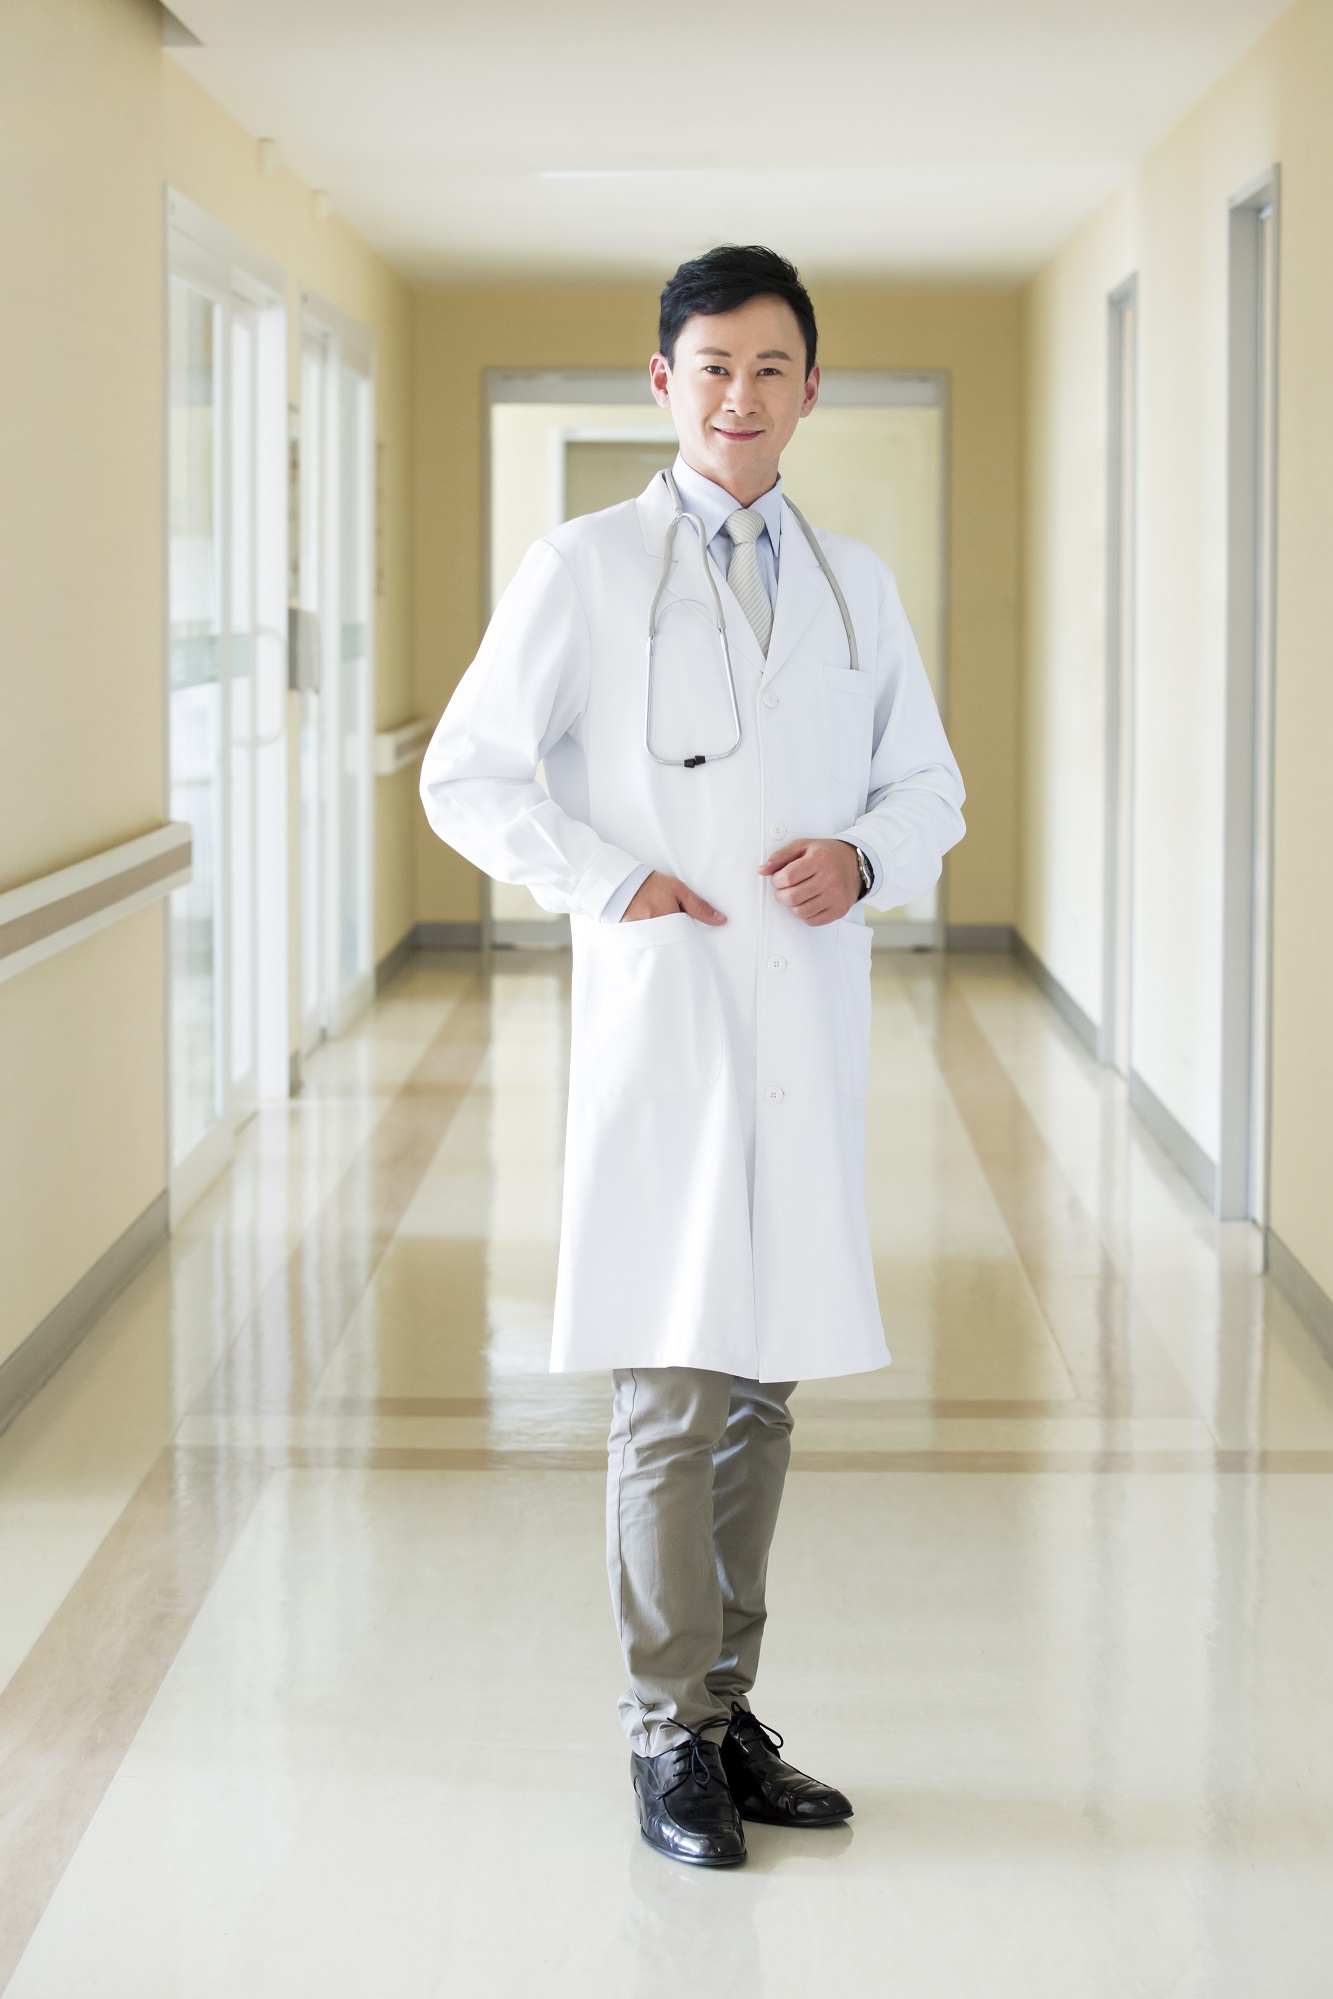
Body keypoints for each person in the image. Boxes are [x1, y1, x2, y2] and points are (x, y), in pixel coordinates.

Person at [420, 245, 965, 1868]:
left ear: (812, 388)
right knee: (670, 1387)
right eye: (710, 365)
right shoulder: (584, 565)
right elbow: (468, 772)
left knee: (763, 1390)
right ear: (664, 384)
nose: (740, 394)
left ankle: (727, 1716)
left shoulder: (856, 583)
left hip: (800, 1013)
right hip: (663, 1014)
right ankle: (663, 1731)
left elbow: (926, 789)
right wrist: (604, 876)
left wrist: (863, 861)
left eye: (771, 367)